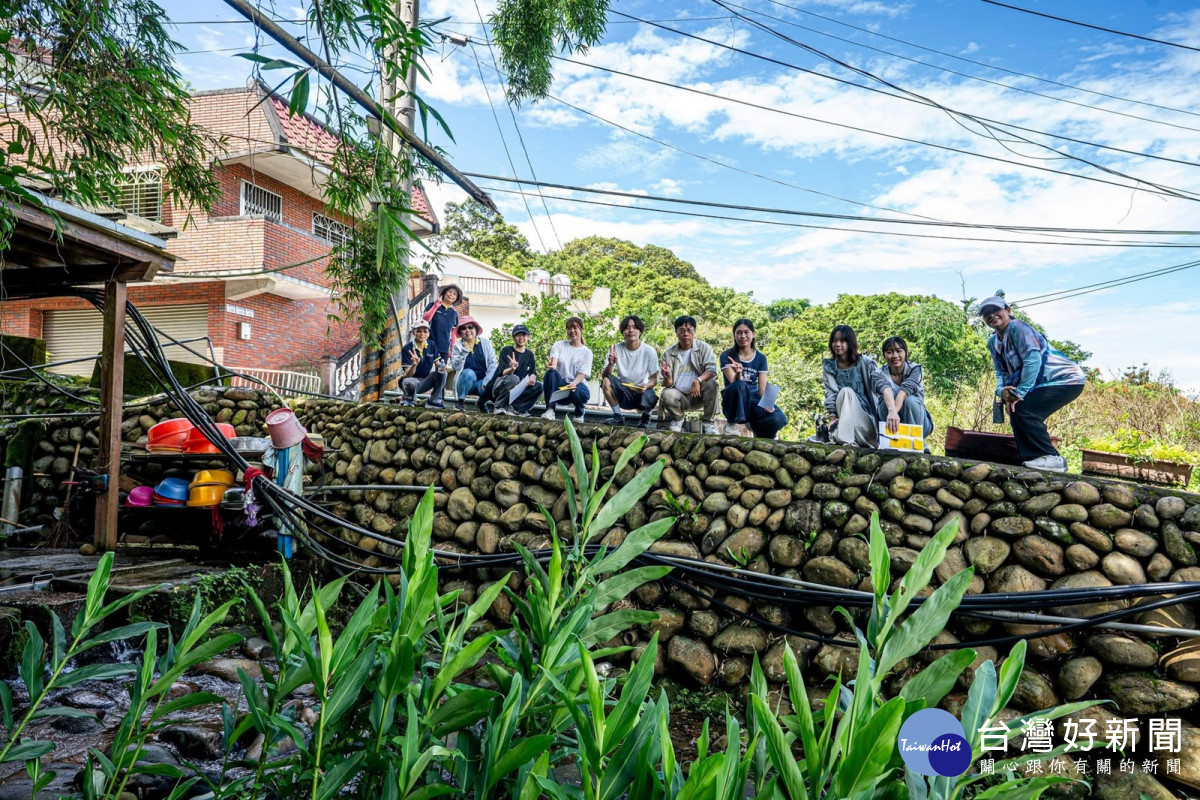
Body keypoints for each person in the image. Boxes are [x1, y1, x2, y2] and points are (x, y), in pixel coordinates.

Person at [980, 295, 1084, 472]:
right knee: (1017, 410)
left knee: (1023, 408)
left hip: (1065, 379)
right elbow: (1000, 371)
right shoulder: (993, 342)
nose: (992, 315)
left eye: (996, 310)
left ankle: (1052, 458)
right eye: (986, 313)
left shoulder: (1018, 328)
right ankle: (1034, 459)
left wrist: (1019, 393)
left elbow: (1032, 360)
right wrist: (1002, 391)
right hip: (1040, 384)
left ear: (1008, 310)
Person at [720, 318, 787, 439]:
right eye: (739, 333)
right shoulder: (726, 356)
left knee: (778, 417)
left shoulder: (761, 358)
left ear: (753, 334)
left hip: (754, 397)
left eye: (746, 332)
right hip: (734, 397)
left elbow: (762, 387)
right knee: (740, 385)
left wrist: (768, 404)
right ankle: (731, 424)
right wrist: (738, 373)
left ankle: (762, 431)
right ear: (734, 336)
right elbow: (733, 383)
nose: (742, 336)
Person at [820, 325, 879, 447]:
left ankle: (843, 438)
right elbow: (830, 391)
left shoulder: (865, 363)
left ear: (850, 342)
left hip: (864, 420)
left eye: (842, 341)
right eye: (834, 340)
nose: (837, 344)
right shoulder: (829, 366)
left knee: (847, 391)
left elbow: (878, 392)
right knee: (844, 392)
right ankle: (844, 437)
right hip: (842, 420)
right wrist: (832, 418)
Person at [659, 315, 719, 434]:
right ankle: (678, 420)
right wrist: (667, 377)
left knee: (712, 383)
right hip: (679, 397)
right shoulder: (669, 353)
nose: (685, 334)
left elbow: (712, 370)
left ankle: (708, 423)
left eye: (689, 330)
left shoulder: (704, 348)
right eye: (681, 330)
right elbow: (668, 384)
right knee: (666, 393)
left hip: (699, 395)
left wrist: (698, 380)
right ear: (676, 333)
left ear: (694, 332)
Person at [601, 315, 659, 428]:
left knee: (652, 396)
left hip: (640, 392)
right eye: (627, 327)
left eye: (634, 327)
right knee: (606, 381)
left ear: (640, 331)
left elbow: (654, 379)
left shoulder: (649, 351)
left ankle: (645, 418)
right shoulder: (615, 349)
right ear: (622, 331)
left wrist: (646, 386)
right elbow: (604, 376)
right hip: (623, 391)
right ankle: (618, 416)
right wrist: (611, 364)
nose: (631, 330)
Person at [871, 336, 934, 440]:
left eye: (899, 351)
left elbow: (905, 390)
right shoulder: (877, 374)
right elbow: (886, 389)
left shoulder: (915, 369)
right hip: (888, 420)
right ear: (884, 355)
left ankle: (916, 441)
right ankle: (889, 441)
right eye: (889, 352)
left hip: (919, 423)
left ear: (906, 352)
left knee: (910, 400)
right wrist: (892, 412)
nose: (895, 356)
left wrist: (893, 412)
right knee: (887, 400)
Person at [541, 316, 593, 422]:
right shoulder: (559, 345)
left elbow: (582, 374)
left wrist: (574, 383)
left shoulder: (587, 352)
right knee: (550, 373)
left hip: (577, 388)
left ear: (581, 330)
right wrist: (551, 365)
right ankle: (550, 410)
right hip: (560, 389)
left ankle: (579, 413)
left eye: (575, 327)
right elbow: (554, 364)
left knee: (576, 388)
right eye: (569, 328)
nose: (572, 331)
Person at [488, 324, 540, 416]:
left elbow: (533, 373)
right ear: (513, 337)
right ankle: (499, 406)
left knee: (539, 386)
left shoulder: (530, 355)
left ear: (528, 337)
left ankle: (518, 409)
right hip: (502, 386)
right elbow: (502, 372)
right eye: (518, 335)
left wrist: (533, 377)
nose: (521, 338)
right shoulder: (506, 351)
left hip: (519, 389)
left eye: (523, 335)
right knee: (514, 378)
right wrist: (511, 369)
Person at [449, 315, 497, 411]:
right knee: (469, 373)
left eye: (470, 327)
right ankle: (460, 402)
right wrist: (464, 352)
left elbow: (493, 364)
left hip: (482, 382)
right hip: (465, 383)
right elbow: (455, 366)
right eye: (464, 328)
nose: (467, 330)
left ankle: (482, 404)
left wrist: (486, 380)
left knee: (489, 387)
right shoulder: (457, 347)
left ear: (475, 329)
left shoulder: (485, 343)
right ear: (460, 332)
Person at [399, 320, 447, 408]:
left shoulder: (431, 345)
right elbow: (407, 374)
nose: (422, 334)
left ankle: (434, 401)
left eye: (425, 331)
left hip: (425, 381)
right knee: (410, 382)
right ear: (414, 332)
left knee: (443, 373)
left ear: (428, 333)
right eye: (419, 331)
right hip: (410, 381)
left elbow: (437, 363)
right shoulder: (407, 348)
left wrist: (441, 367)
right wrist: (414, 365)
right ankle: (409, 399)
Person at [424, 283, 460, 360]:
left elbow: (453, 333)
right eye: (449, 292)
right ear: (444, 293)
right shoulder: (432, 305)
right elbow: (425, 319)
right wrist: (435, 306)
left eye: (454, 294)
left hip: (444, 349)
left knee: (440, 371)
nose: (451, 295)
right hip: (429, 345)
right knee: (426, 371)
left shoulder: (454, 313)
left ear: (456, 298)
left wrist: (452, 349)